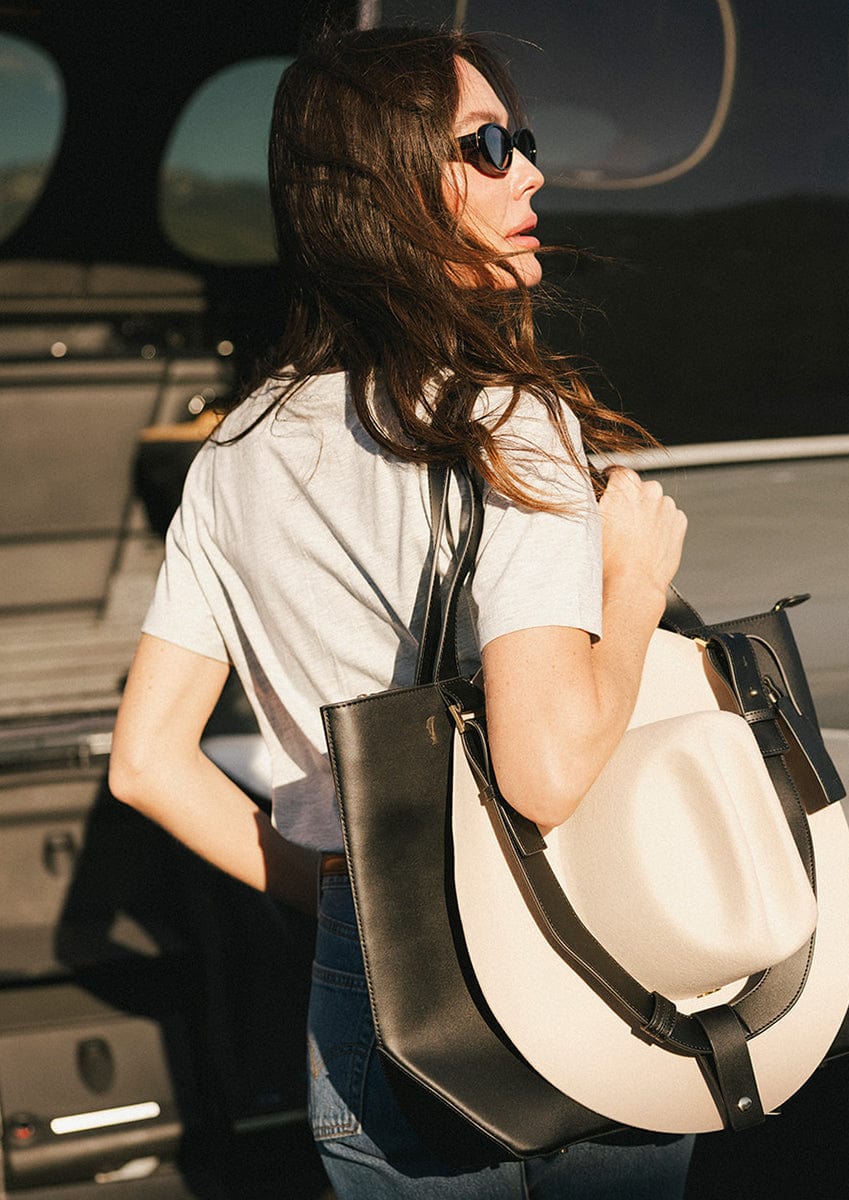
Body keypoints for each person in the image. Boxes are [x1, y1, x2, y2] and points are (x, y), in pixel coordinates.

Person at [110, 24, 690, 1199]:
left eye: (516, 141)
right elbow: (541, 775)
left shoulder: (235, 452)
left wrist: (347, 889)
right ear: (389, 189)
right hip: (563, 954)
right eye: (486, 146)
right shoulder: (508, 423)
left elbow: (146, 765)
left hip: (371, 981)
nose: (529, 170)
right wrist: (632, 591)